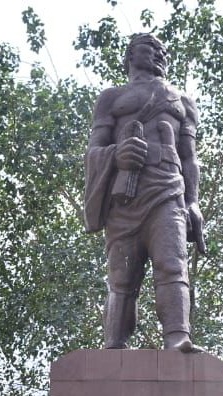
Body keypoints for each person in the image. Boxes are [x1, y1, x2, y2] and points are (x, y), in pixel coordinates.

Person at [83, 31, 205, 353]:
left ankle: (177, 336)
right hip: (125, 194)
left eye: (160, 50)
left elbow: (190, 157)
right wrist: (116, 154)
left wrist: (193, 202)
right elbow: (94, 150)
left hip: (167, 189)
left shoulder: (182, 102)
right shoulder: (111, 98)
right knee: (122, 275)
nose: (155, 53)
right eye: (146, 48)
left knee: (172, 263)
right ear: (129, 57)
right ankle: (114, 342)